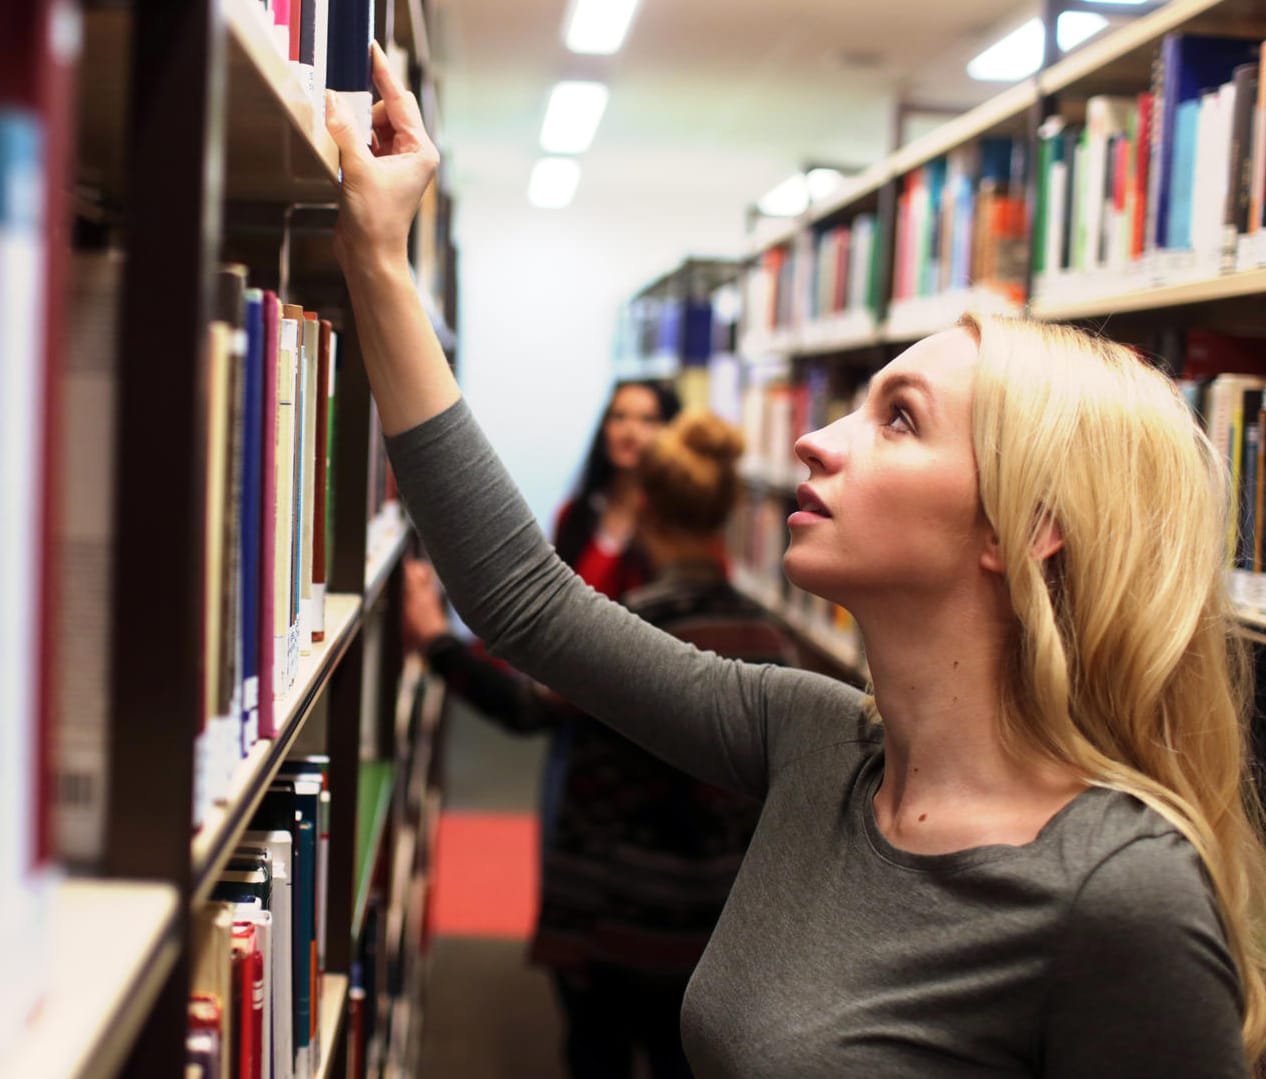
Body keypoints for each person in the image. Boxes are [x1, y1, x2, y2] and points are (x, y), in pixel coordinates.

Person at [324, 46, 1266, 1076]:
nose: (819, 440)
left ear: (1021, 525)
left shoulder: (1119, 893)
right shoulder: (812, 741)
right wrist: (376, 254)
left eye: (899, 421)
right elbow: (525, 602)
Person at [404, 409, 797, 1079]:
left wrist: (437, 641)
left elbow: (526, 707)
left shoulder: (631, 635)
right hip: (714, 927)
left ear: (643, 506)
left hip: (609, 922)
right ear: (732, 510)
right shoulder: (771, 641)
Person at [554, 379, 680, 600]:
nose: (629, 431)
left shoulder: (679, 524)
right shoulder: (572, 516)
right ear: (605, 427)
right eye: (619, 417)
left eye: (647, 420)